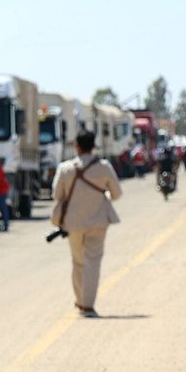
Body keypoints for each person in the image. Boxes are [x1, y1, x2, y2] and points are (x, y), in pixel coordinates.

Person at [51, 130, 124, 318]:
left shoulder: (65, 169)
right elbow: (116, 194)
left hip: (73, 223)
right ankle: (88, 305)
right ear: (94, 146)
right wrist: (102, 197)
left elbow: (57, 195)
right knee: (93, 262)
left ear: (76, 146)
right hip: (99, 222)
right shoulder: (104, 167)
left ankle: (80, 301)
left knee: (78, 262)